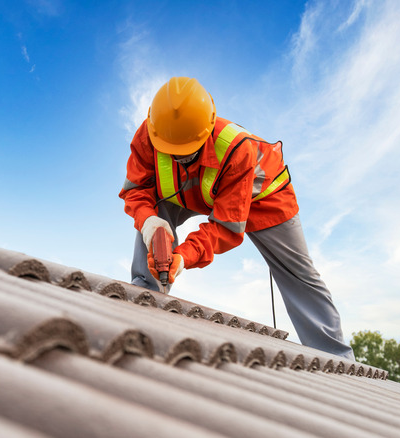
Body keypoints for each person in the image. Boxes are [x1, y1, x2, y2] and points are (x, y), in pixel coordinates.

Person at [119, 76, 354, 360]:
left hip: (262, 197)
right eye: (172, 152)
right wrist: (149, 224)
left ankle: (336, 358)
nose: (179, 158)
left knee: (299, 275)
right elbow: (138, 190)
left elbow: (226, 226)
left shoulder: (236, 149)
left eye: (187, 152)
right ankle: (146, 297)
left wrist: (184, 256)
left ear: (206, 131)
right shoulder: (150, 134)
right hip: (193, 190)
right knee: (154, 212)